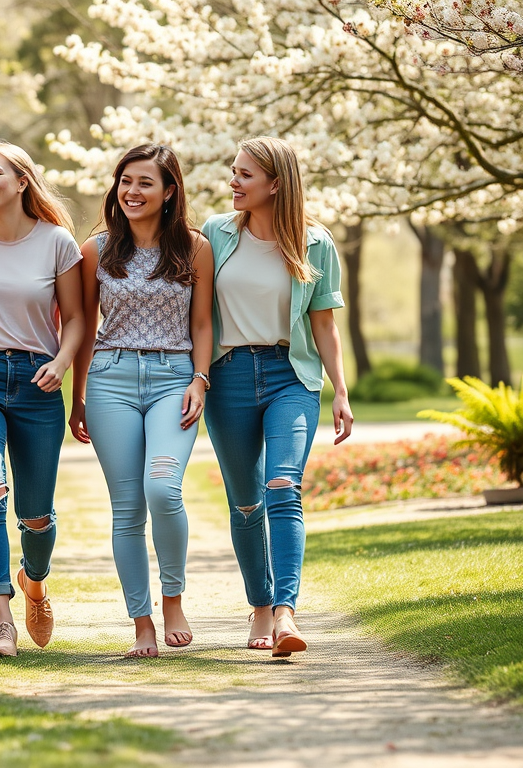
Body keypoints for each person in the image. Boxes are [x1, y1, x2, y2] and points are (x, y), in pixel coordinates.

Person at [201, 136, 353, 658]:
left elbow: (325, 324)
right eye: (234, 171)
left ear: (276, 183)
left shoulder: (315, 244)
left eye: (245, 174)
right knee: (246, 503)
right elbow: (197, 313)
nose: (233, 181)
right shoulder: (217, 234)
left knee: (284, 484)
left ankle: (286, 610)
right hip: (230, 378)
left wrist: (340, 390)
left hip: (291, 376)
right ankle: (260, 605)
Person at [69, 144, 214, 658]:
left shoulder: (195, 248)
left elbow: (202, 323)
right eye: (125, 181)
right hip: (110, 378)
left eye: (145, 182)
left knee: (162, 488)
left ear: (169, 190)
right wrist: (78, 396)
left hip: (175, 376)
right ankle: (142, 622)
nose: (132, 191)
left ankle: (173, 598)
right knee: (126, 509)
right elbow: (83, 327)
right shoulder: (96, 250)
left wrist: (200, 379)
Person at [0, 139, 85, 657]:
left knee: (36, 515)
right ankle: (1, 620)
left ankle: (36, 581)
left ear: (22, 182)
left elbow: (74, 319)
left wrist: (62, 362)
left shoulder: (57, 242)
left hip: (37, 381)